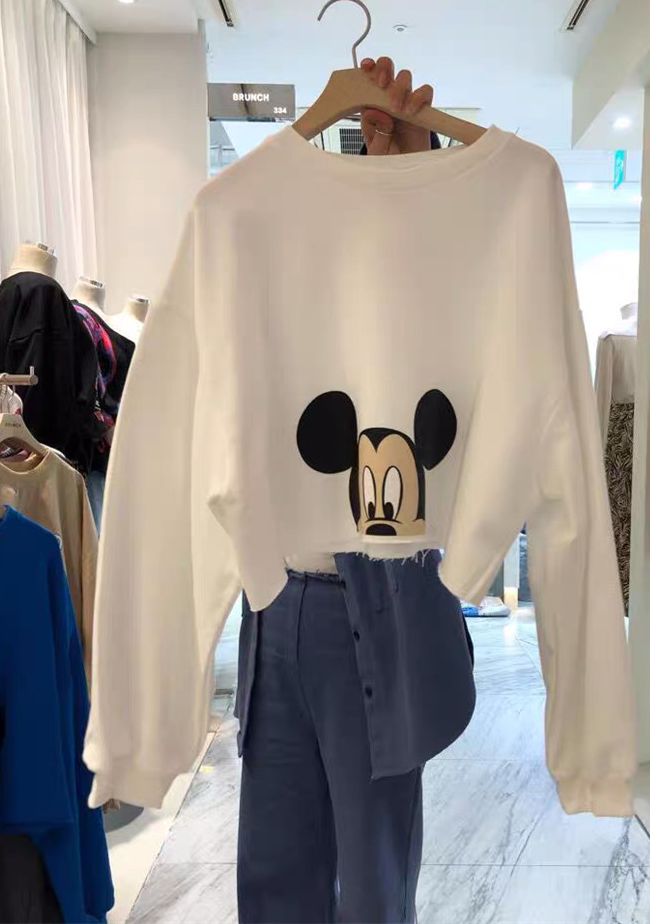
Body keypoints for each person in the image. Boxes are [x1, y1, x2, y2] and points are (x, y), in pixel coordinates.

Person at [235, 57, 476, 924]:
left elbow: (441, 336)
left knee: (373, 878)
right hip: (275, 599)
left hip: (377, 587)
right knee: (274, 869)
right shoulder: (257, 226)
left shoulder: (431, 263)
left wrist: (408, 180)